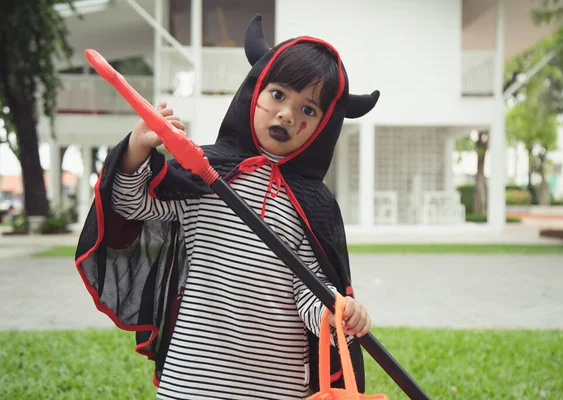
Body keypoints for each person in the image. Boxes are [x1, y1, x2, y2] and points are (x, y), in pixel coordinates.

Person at [75, 15, 380, 400]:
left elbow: (309, 290)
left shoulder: (313, 204)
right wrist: (137, 148)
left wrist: (335, 312)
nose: (287, 114)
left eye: (308, 110)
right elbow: (130, 203)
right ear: (254, 93)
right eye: (278, 95)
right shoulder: (204, 173)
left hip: (276, 384)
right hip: (193, 378)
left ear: (324, 127)